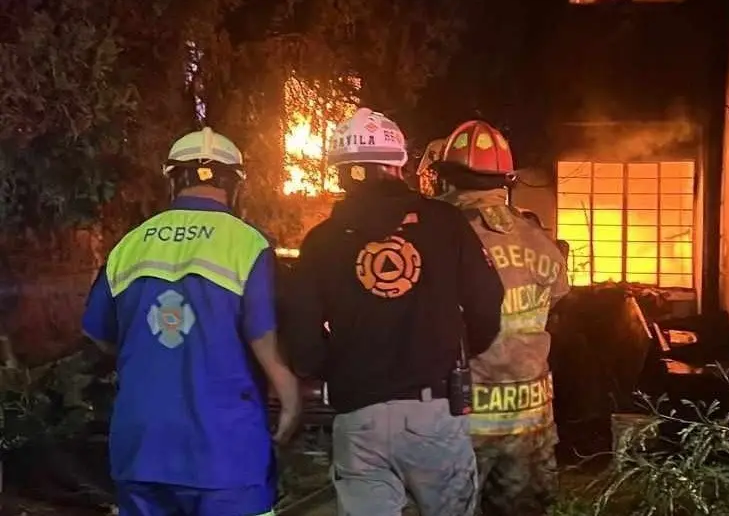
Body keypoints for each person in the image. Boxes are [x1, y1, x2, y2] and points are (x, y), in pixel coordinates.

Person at [282, 107, 504, 516]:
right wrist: (452, 350)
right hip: (434, 413)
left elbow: (302, 339)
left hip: (358, 417)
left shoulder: (321, 241)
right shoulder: (446, 223)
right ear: (398, 164)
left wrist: (335, 367)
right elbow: (487, 304)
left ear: (340, 171)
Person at [81, 127, 300, 516]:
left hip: (142, 447)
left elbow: (98, 334)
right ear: (234, 186)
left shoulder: (129, 245)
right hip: (224, 452)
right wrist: (289, 397)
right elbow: (262, 336)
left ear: (173, 180)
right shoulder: (247, 244)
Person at [430, 120, 571, 516]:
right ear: (505, 180)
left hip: (463, 419)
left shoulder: (440, 237)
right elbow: (556, 300)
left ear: (449, 180)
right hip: (530, 418)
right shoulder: (537, 237)